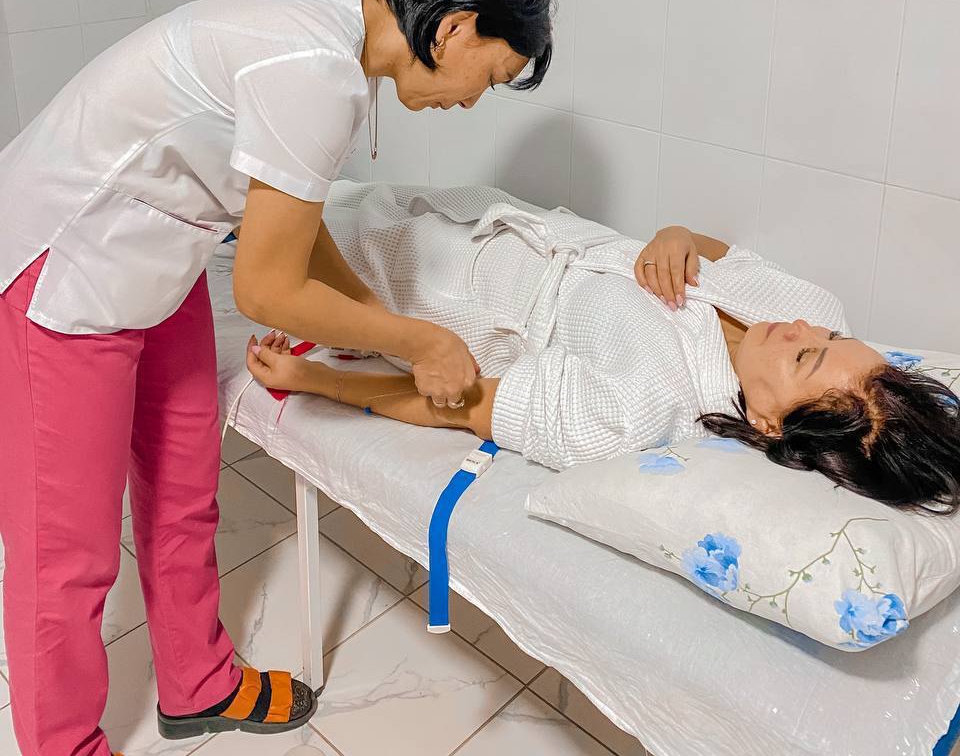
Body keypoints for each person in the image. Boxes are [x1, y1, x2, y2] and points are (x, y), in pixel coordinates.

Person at [0, 0, 553, 753]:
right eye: (494, 76)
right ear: (455, 28)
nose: (474, 100)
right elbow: (265, 290)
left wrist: (369, 317)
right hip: (66, 265)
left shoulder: (337, 49)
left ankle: (197, 682)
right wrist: (418, 342)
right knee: (65, 554)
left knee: (184, 484)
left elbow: (292, 215)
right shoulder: (315, 70)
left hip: (162, 249)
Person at [245, 182, 960, 515]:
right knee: (323, 186)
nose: (802, 329)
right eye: (830, 338)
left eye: (806, 357)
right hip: (493, 212)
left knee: (272, 215)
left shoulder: (640, 411)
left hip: (417, 284)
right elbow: (717, 252)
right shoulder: (814, 310)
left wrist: (317, 381)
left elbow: (457, 405)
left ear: (773, 425)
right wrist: (675, 235)